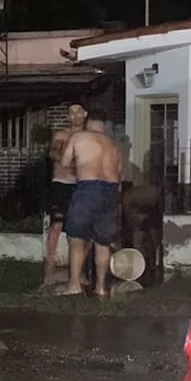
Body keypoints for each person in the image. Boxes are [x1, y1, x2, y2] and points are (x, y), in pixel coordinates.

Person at [59, 111, 122, 297]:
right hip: (110, 191)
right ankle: (101, 288)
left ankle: (75, 285)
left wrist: (79, 166)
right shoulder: (114, 146)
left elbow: (63, 162)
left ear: (88, 123)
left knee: (77, 238)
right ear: (104, 127)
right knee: (103, 242)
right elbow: (120, 175)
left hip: (88, 188)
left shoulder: (79, 137)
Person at [42, 103, 88, 286]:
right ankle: (49, 274)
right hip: (61, 184)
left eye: (78, 111)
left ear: (85, 114)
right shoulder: (62, 135)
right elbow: (53, 152)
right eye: (71, 112)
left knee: (79, 231)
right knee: (56, 227)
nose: (75, 115)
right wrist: (66, 155)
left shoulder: (89, 137)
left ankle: (77, 273)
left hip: (80, 185)